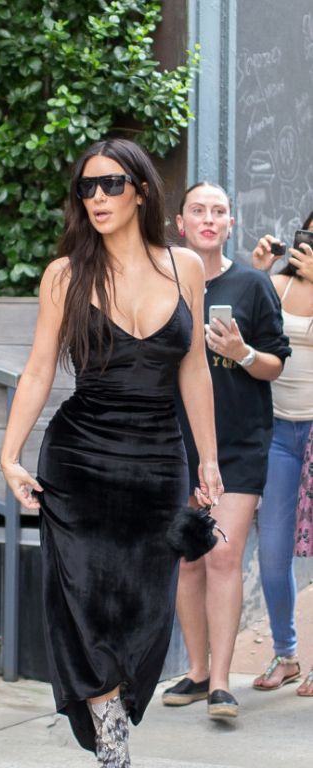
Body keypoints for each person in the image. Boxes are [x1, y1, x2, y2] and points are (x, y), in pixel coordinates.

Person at [1, 139, 223, 768]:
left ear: (142, 190)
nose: (96, 198)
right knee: (84, 602)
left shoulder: (185, 266)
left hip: (158, 462)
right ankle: (112, 746)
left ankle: (116, 713)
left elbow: (194, 367)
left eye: (110, 185)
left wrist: (209, 458)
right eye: (86, 188)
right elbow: (39, 369)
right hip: (79, 461)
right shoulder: (65, 275)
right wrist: (9, 454)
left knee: (149, 610)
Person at [162, 183, 290, 718]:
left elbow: (275, 364)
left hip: (240, 441)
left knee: (223, 553)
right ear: (180, 223)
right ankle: (195, 672)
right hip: (175, 442)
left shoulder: (253, 285)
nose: (209, 219)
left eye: (219, 211)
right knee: (187, 557)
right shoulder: (164, 282)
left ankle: (220, 682)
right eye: (198, 210)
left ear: (231, 224)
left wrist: (242, 352)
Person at [250, 211, 313, 697]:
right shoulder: (277, 285)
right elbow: (248, 339)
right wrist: (258, 274)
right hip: (276, 432)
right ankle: (286, 654)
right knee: (272, 554)